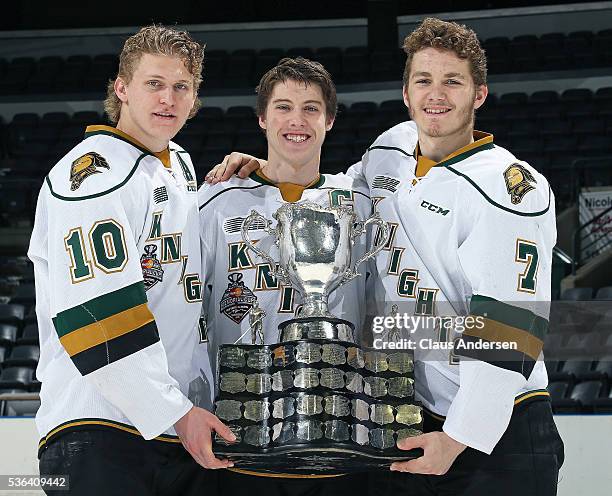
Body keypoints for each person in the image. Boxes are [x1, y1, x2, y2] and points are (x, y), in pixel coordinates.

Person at [204, 18, 564, 496]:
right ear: (405, 92)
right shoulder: (389, 151)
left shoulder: (511, 188)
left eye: (452, 81)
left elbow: (510, 331)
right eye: (424, 80)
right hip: (409, 414)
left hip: (498, 425)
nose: (436, 94)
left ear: (479, 94)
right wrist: (260, 172)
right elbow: (326, 195)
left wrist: (461, 437)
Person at [28, 25, 234, 496]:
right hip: (98, 430)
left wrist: (242, 179)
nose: (168, 98)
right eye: (154, 84)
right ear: (121, 89)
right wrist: (175, 411)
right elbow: (96, 319)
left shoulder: (175, 162)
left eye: (181, 87)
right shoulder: (93, 178)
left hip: (165, 425)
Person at [195, 57, 372, 496]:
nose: (297, 121)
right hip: (243, 432)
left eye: (311, 109)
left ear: (330, 120)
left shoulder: (360, 204)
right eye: (283, 107)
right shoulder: (216, 203)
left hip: (340, 431)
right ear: (261, 118)